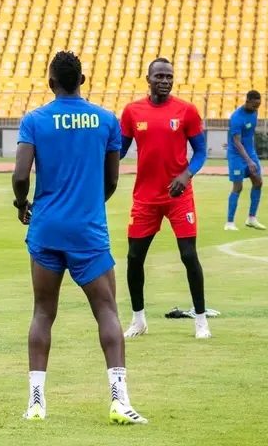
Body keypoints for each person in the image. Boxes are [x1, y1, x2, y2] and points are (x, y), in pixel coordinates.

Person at [13, 51, 147, 424]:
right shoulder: (106, 121)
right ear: (82, 80)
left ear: (51, 81)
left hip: (47, 229)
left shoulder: (35, 120)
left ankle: (36, 403)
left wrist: (22, 202)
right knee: (106, 311)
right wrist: (89, 202)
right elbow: (113, 180)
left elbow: (22, 174)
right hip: (88, 231)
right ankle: (119, 401)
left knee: (43, 312)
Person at [120, 58, 210, 340]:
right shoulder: (132, 111)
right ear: (148, 78)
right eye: (159, 76)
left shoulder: (187, 111)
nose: (165, 81)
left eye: (169, 76)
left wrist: (186, 176)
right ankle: (138, 320)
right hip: (145, 197)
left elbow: (201, 153)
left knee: (188, 256)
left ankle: (201, 320)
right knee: (134, 258)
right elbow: (119, 152)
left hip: (178, 195)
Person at [225, 90, 264, 231]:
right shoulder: (236, 118)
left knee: (258, 182)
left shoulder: (254, 112)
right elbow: (237, 142)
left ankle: (251, 218)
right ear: (247, 101)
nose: (256, 109)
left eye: (258, 106)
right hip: (236, 155)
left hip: (250, 153)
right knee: (238, 187)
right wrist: (249, 161)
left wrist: (252, 156)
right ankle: (229, 223)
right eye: (254, 106)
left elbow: (249, 135)